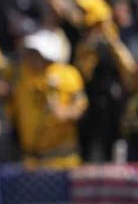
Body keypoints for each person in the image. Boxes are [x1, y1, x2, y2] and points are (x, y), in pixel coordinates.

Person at [9, 29, 87, 169]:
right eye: (30, 52)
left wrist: (65, 112)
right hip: (31, 161)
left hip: (62, 161)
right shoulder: (20, 74)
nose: (31, 57)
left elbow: (80, 106)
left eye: (36, 53)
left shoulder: (67, 75)